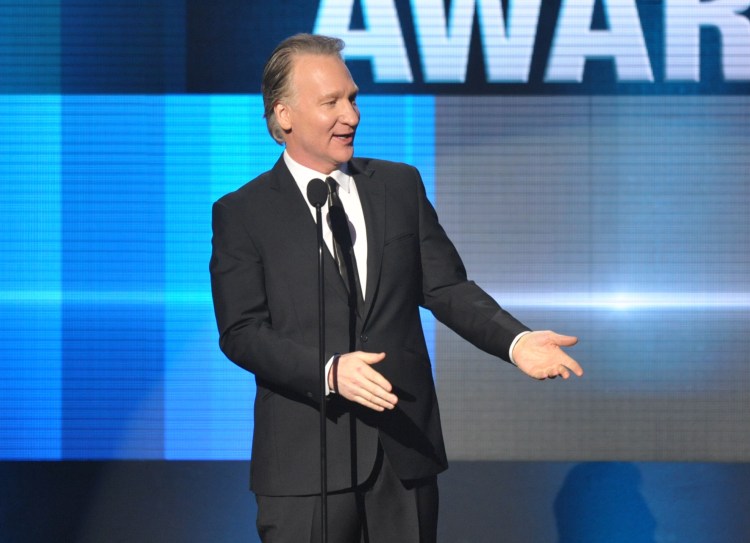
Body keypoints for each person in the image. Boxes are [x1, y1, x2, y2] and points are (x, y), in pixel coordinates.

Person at [209, 33, 583, 543]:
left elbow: (447, 286)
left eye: (352, 98)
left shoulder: (398, 185)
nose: (351, 115)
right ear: (284, 114)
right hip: (304, 463)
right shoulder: (244, 212)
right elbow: (243, 332)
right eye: (331, 102)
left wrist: (515, 341)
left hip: (403, 452)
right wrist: (329, 372)